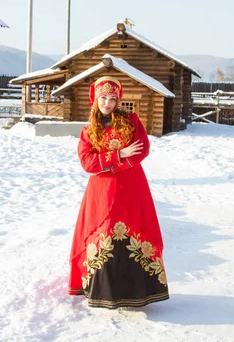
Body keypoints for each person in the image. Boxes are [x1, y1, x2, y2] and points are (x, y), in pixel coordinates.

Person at [68, 76, 169, 309]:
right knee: (103, 230)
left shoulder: (131, 121)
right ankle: (103, 292)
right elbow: (87, 163)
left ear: (118, 100)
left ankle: (137, 292)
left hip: (132, 187)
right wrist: (119, 155)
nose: (107, 103)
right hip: (101, 191)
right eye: (103, 98)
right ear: (95, 99)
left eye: (112, 99)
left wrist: (110, 162)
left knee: (134, 226)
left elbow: (142, 150)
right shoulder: (88, 130)